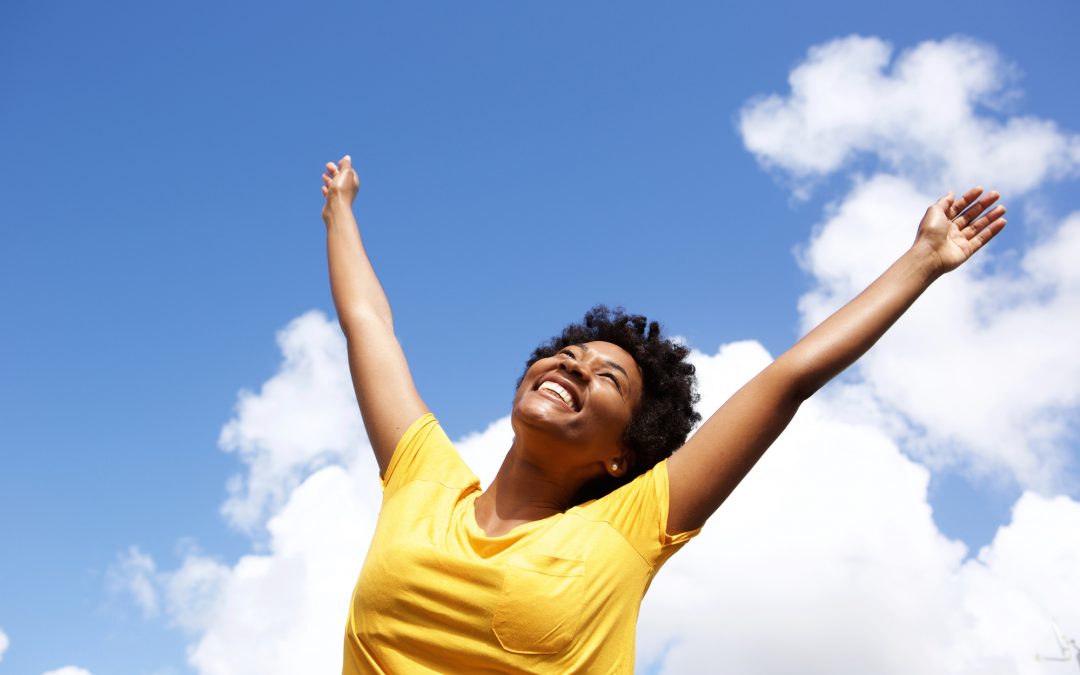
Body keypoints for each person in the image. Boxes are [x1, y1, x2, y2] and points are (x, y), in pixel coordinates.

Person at [320, 154, 1006, 673]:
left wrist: (920, 261)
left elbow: (786, 380)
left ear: (622, 453)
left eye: (607, 376)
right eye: (567, 352)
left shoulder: (630, 526)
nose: (573, 364)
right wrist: (341, 210)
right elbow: (369, 325)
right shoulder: (423, 479)